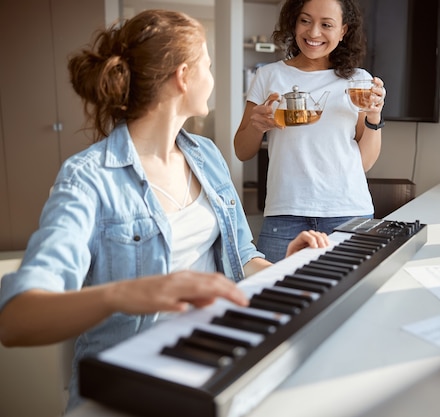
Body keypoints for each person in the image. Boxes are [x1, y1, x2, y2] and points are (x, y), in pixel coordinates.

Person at [0, 9, 328, 413]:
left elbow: (242, 259)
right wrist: (129, 293)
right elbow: (16, 319)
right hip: (125, 391)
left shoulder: (206, 156)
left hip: (210, 368)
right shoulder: (87, 178)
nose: (213, 77)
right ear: (184, 76)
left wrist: (285, 266)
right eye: (208, 65)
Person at [234, 0, 386, 263]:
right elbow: (242, 151)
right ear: (294, 23)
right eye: (305, 20)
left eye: (326, 24)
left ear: (343, 31)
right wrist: (256, 126)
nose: (314, 33)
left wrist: (374, 116)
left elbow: (364, 162)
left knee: (348, 298)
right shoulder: (269, 75)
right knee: (275, 296)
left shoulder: (359, 81)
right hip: (285, 213)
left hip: (348, 211)